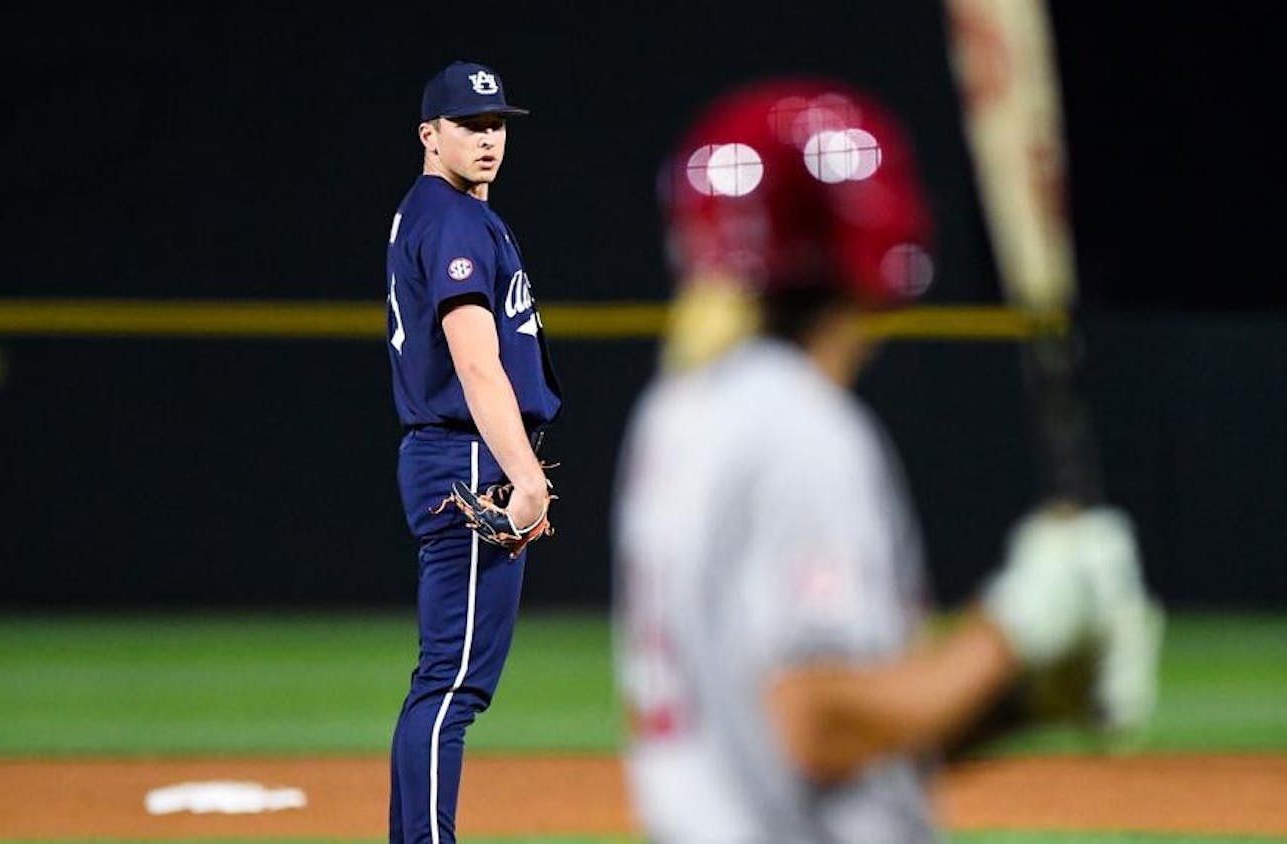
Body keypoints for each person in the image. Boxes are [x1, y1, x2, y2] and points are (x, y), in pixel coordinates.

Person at [612, 78, 1163, 844]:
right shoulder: (798, 430)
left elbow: (810, 752)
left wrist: (1016, 698)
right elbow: (819, 727)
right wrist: (1016, 625)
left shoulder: (678, 417)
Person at [383, 60, 562, 844]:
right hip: (469, 462)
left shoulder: (434, 213)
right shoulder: (452, 220)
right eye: (469, 125)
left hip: (458, 454)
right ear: (430, 133)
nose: (488, 139)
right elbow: (475, 358)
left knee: (449, 682)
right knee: (451, 687)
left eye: (496, 126)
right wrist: (524, 476)